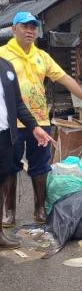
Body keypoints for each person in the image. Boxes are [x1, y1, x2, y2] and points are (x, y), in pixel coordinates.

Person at [0, 11, 82, 226]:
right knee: (9, 166)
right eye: (25, 26)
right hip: (11, 123)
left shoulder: (42, 56)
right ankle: (9, 211)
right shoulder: (3, 55)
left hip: (40, 121)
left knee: (40, 165)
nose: (30, 31)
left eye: (33, 27)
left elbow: (66, 79)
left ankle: (40, 209)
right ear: (14, 29)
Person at [0, 57, 53, 249]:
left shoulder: (5, 66)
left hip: (4, 135)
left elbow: (17, 103)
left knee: (2, 180)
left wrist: (34, 127)